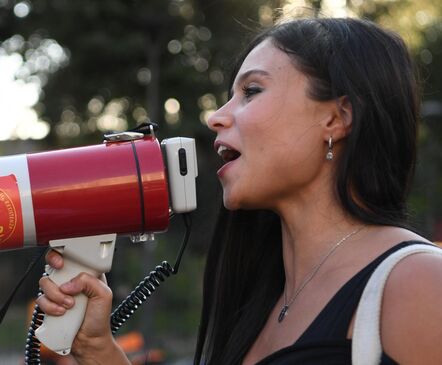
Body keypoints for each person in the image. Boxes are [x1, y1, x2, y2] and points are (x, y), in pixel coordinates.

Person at [36, 17, 442, 364]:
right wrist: (97, 349)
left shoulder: (418, 284)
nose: (216, 117)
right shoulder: (259, 297)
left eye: (251, 91)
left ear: (336, 119)